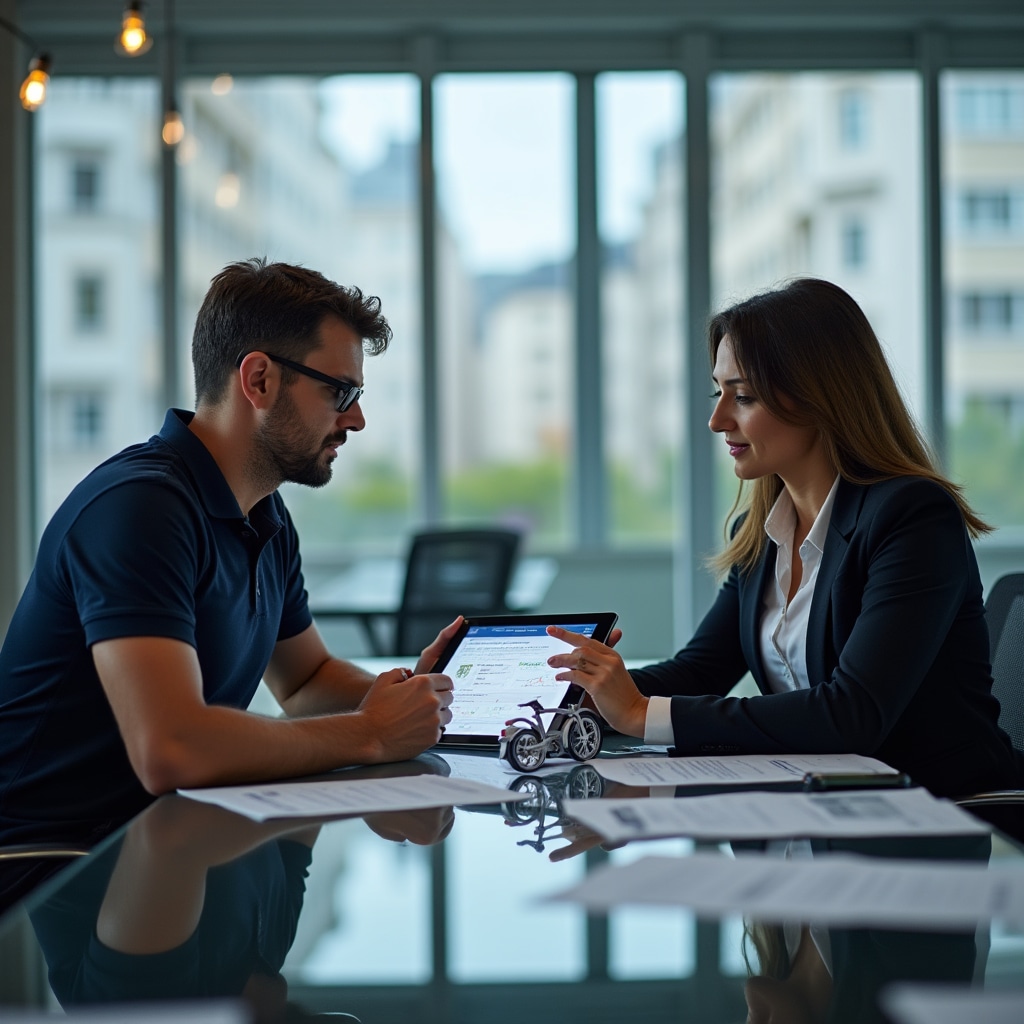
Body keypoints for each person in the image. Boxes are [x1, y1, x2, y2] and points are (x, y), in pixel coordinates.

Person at [0, 258, 455, 844]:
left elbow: (305, 681)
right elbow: (171, 749)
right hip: (51, 863)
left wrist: (409, 697)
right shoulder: (139, 508)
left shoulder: (265, 512)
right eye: (339, 391)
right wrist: (371, 732)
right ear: (259, 380)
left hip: (168, 841)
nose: (357, 419)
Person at [547, 277, 1021, 798]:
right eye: (719, 392)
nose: (717, 420)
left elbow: (853, 713)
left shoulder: (912, 517)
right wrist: (588, 693)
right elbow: (701, 670)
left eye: (743, 396)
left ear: (821, 397)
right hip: (816, 805)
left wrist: (641, 712)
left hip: (938, 811)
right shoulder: (759, 534)